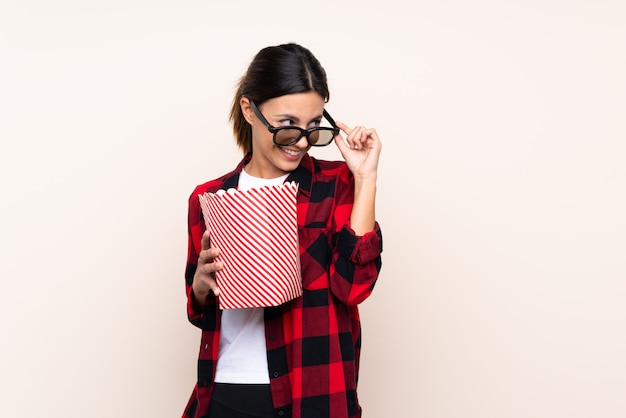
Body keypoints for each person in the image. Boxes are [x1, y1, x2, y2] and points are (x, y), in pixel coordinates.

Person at [182, 43, 383, 418]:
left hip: (313, 392)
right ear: (249, 110)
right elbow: (199, 312)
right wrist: (201, 286)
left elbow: (353, 287)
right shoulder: (208, 198)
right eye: (288, 126)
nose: (302, 142)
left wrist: (365, 178)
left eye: (313, 127)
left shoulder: (336, 185)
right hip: (225, 391)